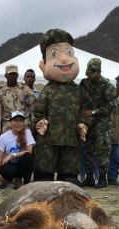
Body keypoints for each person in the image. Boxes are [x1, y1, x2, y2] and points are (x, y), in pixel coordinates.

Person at [33, 28, 88, 185]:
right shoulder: (48, 89)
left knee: (69, 177)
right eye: (55, 54)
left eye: (68, 53)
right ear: (43, 65)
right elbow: (39, 110)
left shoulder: (78, 90)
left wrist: (83, 124)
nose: (64, 60)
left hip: (71, 139)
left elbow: (86, 111)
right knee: (44, 177)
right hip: (48, 139)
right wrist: (40, 121)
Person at [0, 64, 35, 188]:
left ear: (17, 75)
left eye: (14, 74)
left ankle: (19, 179)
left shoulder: (25, 89)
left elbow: (33, 107)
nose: (12, 76)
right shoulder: (0, 91)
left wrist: (33, 124)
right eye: (10, 74)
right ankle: (5, 177)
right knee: (5, 152)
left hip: (23, 124)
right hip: (7, 124)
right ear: (5, 75)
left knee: (25, 153)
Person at [79, 58, 117, 188]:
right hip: (88, 123)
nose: (90, 76)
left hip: (102, 122)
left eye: (93, 73)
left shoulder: (107, 86)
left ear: (99, 72)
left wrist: (94, 112)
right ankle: (89, 177)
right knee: (88, 150)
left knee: (102, 150)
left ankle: (102, 177)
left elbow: (111, 105)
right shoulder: (84, 83)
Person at [0, 111, 35, 189]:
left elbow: (29, 151)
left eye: (20, 121)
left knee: (28, 157)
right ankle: (8, 181)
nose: (18, 123)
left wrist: (12, 155)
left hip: (21, 163)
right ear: (10, 123)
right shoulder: (4, 137)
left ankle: (26, 183)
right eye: (15, 120)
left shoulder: (27, 133)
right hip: (10, 164)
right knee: (8, 170)